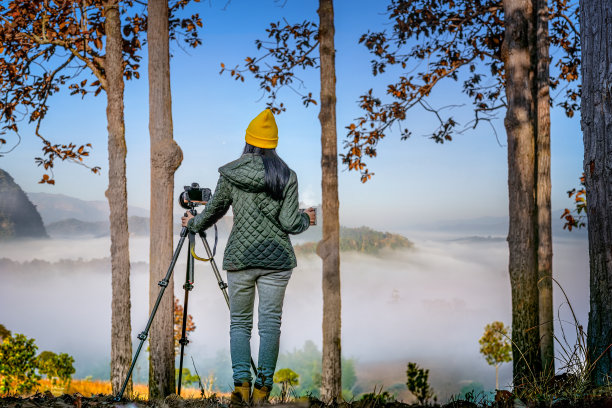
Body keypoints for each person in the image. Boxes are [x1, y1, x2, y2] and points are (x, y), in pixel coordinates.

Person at [181, 109, 316, 406]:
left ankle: (240, 389)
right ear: (273, 143)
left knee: (239, 325)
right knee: (270, 326)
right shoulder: (287, 176)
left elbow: (213, 211)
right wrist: (306, 218)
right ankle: (262, 391)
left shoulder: (230, 173)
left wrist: (192, 223)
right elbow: (291, 224)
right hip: (277, 259)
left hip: (240, 258)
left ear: (249, 141)